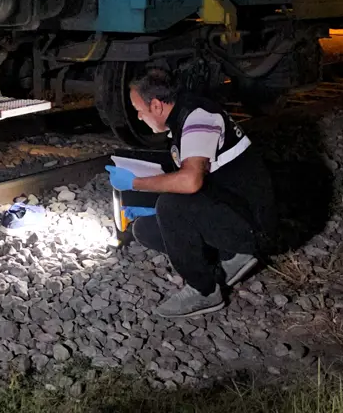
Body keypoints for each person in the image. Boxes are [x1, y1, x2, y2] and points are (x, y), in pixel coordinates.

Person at [106, 68, 277, 318]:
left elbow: (190, 182)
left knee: (170, 206)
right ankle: (227, 257)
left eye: (139, 110)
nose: (139, 117)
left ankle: (204, 291)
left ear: (156, 105)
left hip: (253, 224)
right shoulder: (182, 117)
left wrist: (136, 183)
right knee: (145, 229)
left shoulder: (199, 118)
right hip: (231, 208)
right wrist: (152, 206)